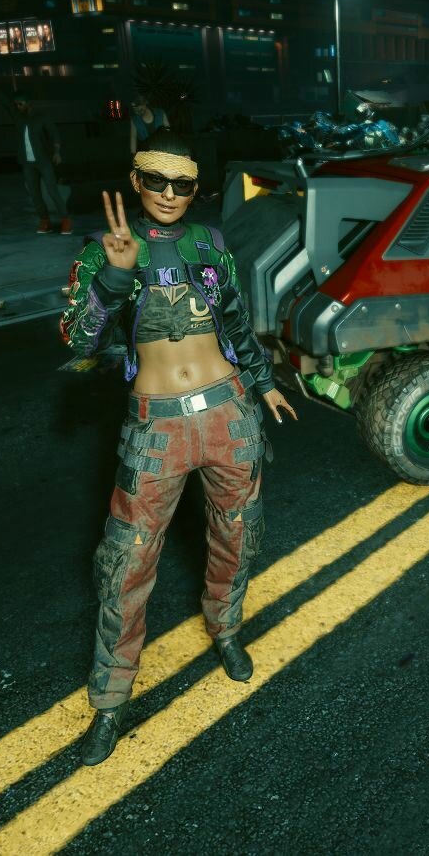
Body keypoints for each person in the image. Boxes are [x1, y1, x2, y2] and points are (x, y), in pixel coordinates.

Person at [60, 129, 298, 766]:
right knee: (126, 560)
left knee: (238, 533)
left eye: (182, 183)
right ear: (135, 181)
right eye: (156, 180)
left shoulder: (209, 243)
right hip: (156, 429)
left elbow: (235, 320)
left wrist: (263, 383)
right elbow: (77, 341)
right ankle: (111, 699)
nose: (168, 194)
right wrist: (114, 277)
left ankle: (226, 629)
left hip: (227, 412)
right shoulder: (106, 250)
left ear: (197, 188)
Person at [1, 91, 71, 235]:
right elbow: (5, 103)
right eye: (16, 104)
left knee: (52, 191)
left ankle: (65, 220)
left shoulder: (41, 117)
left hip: (43, 161)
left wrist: (57, 152)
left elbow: (54, 133)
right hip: (27, 164)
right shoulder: (18, 117)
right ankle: (45, 221)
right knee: (34, 194)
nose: (18, 106)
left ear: (28, 103)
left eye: (20, 103)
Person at [127, 92, 169, 158]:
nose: (138, 109)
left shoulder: (160, 113)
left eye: (140, 105)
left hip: (164, 150)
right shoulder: (134, 120)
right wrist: (133, 155)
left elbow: (169, 133)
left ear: (146, 102)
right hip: (147, 154)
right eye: (135, 108)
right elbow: (133, 139)